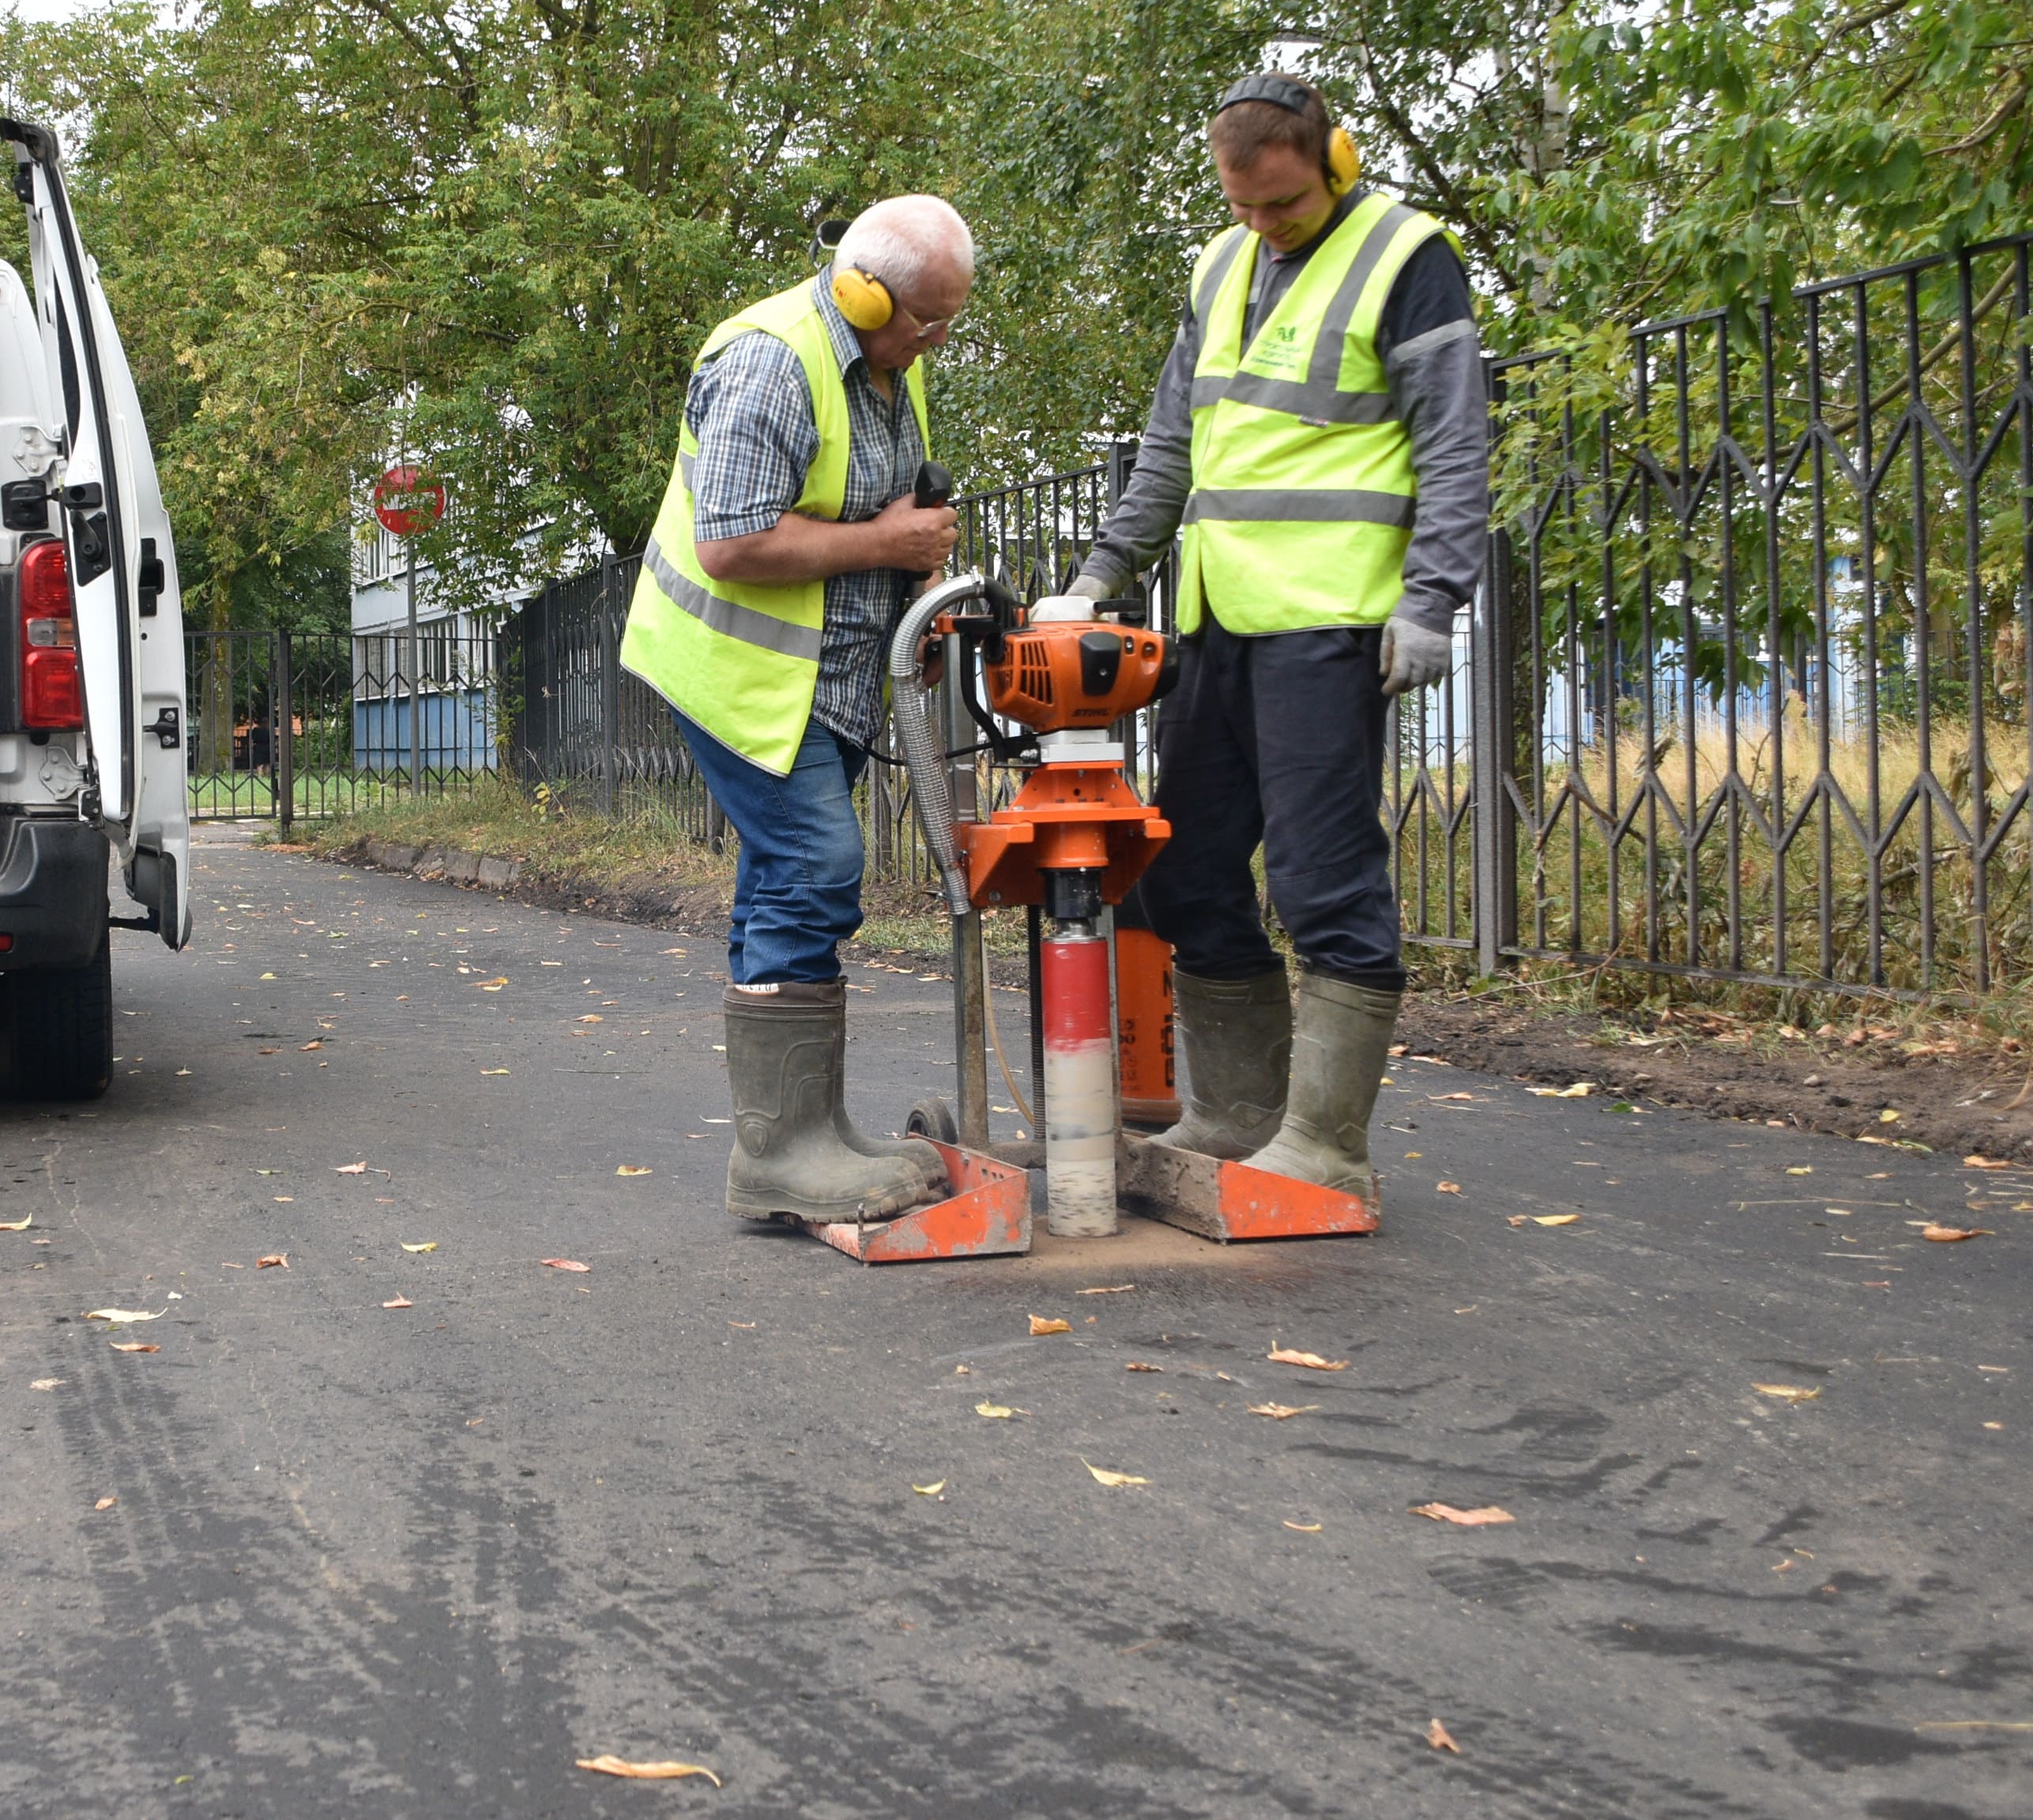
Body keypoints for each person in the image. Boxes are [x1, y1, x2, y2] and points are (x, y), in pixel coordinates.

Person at [1039, 74, 1486, 1208]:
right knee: (1185, 869)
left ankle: (1327, 1147)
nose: (1263, 224)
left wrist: (1432, 600)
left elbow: (1453, 442)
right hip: (1218, 619)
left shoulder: (1405, 255)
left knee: (1321, 880)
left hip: (1332, 621)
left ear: (1336, 161)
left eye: (1282, 203)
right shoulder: (1219, 266)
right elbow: (1171, 443)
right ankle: (1240, 1115)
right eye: (1242, 206)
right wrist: (1099, 576)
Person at [619, 195, 977, 1224]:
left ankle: (797, 1138)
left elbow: (894, 508)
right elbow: (731, 544)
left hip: (829, 677)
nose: (937, 340)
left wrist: (920, 590)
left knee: (785, 879)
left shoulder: (891, 364)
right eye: (928, 320)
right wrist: (889, 546)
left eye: (949, 321)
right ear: (864, 293)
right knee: (815, 866)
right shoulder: (771, 364)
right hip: (739, 671)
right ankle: (784, 1154)